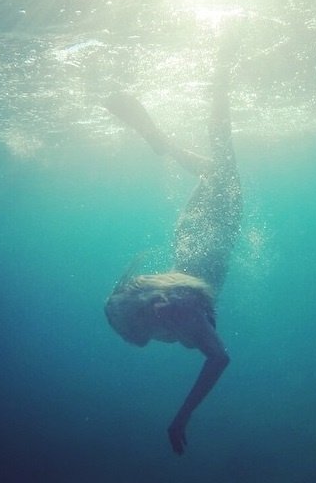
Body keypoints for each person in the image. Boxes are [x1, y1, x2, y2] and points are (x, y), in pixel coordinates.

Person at [104, 47, 242, 455]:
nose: (156, 315)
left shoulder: (184, 315)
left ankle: (220, 72)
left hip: (215, 225)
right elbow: (122, 293)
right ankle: (171, 133)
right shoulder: (163, 300)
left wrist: (182, 416)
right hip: (190, 233)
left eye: (151, 314)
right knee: (215, 166)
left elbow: (220, 359)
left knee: (220, 151)